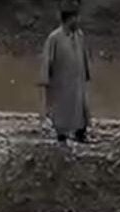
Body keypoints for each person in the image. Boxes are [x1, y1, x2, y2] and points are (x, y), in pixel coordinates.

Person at [39, 5, 92, 144]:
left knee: (81, 109)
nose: (78, 21)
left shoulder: (80, 35)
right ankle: (61, 137)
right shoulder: (54, 38)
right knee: (63, 110)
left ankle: (81, 134)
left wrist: (86, 73)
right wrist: (45, 80)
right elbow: (46, 60)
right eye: (76, 18)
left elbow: (84, 55)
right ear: (68, 19)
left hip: (78, 80)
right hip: (62, 82)